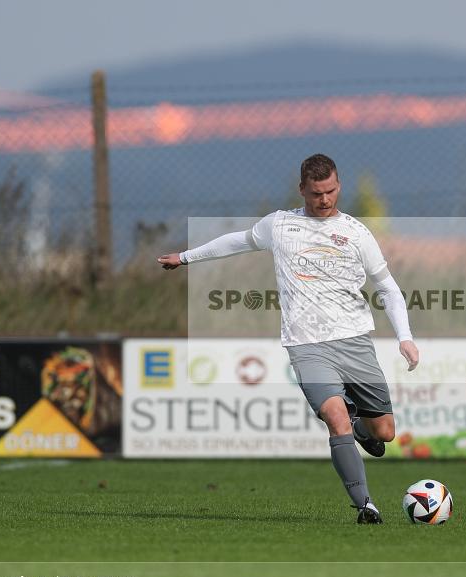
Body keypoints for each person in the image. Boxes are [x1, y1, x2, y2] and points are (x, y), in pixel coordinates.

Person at [158, 154, 418, 524]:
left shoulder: (357, 233)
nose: (324, 200)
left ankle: (364, 430)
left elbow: (388, 289)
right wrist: (184, 258)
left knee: (384, 432)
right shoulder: (280, 226)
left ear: (338, 186)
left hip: (356, 341)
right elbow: (236, 242)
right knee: (335, 418)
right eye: (316, 194)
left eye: (329, 191)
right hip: (306, 344)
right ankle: (365, 505)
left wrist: (404, 338)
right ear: (302, 190)